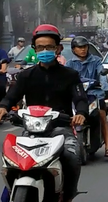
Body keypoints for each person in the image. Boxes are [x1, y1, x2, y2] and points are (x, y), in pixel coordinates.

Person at [0, 24, 88, 202]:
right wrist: (3, 107)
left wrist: (80, 113)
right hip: (31, 130)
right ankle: (7, 195)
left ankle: (68, 195)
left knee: (72, 155)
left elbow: (80, 99)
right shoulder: (26, 75)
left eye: (49, 47)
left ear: (58, 48)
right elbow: (11, 97)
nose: (44, 50)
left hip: (61, 128)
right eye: (40, 47)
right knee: (12, 161)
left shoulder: (70, 74)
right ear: (34, 49)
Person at [66, 36, 108, 158]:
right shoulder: (69, 64)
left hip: (94, 94)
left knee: (102, 115)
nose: (83, 50)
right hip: (76, 96)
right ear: (74, 49)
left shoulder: (96, 61)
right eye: (80, 47)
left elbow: (102, 73)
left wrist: (104, 85)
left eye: (85, 47)